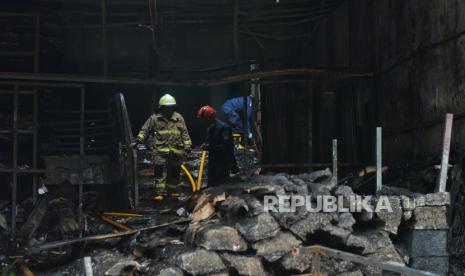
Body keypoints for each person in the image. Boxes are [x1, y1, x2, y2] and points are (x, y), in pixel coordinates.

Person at [130, 94, 192, 200]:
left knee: (174, 172)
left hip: (176, 150)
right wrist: (137, 141)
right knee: (159, 172)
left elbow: (184, 133)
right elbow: (145, 130)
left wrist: (187, 146)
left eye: (171, 107)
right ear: (161, 107)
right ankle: (160, 193)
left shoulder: (179, 118)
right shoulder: (154, 118)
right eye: (166, 107)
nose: (169, 109)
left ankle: (172, 192)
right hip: (160, 151)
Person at [197, 105, 239, 186]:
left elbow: (227, 147)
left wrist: (232, 163)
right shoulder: (210, 129)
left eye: (205, 119)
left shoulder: (224, 128)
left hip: (222, 162)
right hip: (213, 162)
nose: (204, 122)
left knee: (221, 186)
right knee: (211, 185)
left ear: (211, 117)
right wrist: (205, 145)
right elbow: (208, 142)